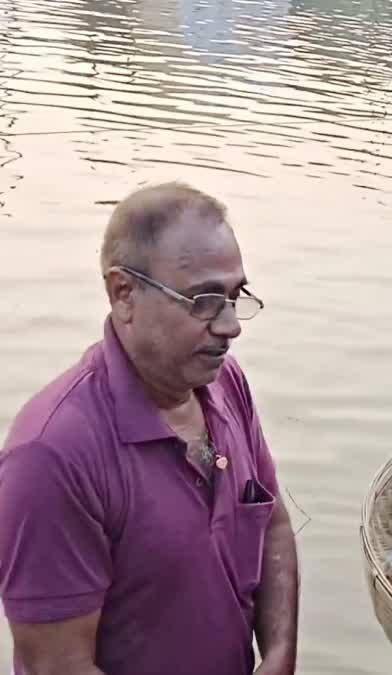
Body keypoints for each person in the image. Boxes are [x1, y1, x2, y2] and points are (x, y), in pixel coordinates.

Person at [0, 183, 299, 675]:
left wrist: (280, 656)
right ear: (124, 294)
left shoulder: (226, 385)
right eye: (204, 300)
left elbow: (274, 526)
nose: (230, 326)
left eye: (234, 296)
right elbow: (58, 666)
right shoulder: (52, 456)